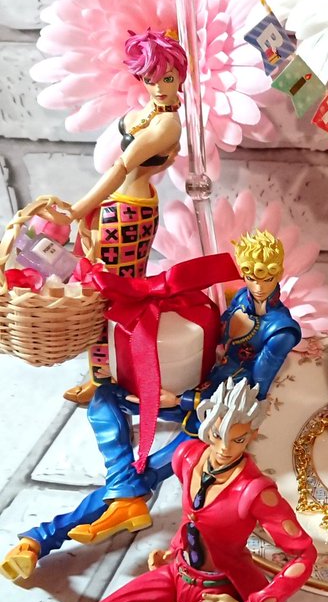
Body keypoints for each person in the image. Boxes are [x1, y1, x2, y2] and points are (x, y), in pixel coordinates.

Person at [0, 378, 317, 602]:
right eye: (217, 435)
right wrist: (175, 548)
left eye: (238, 439)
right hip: (175, 571)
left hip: (214, 594)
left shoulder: (256, 492)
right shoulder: (187, 456)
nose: (225, 448)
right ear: (207, 425)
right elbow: (193, 516)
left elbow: (303, 555)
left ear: (252, 435)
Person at [1, 231, 301, 581]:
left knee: (148, 471)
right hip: (191, 385)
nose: (258, 285)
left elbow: (252, 392)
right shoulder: (239, 301)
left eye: (266, 276)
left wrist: (182, 400)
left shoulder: (281, 331)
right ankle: (124, 492)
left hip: (216, 419)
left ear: (279, 273)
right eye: (250, 275)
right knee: (106, 397)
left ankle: (38, 540)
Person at [54, 29, 187, 406]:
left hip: (131, 214)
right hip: (116, 205)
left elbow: (120, 166)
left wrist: (79, 208)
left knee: (117, 299)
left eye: (167, 78)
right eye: (150, 78)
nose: (159, 87)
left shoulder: (167, 124)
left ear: (180, 76)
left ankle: (127, 376)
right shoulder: (149, 113)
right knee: (100, 293)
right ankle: (102, 376)